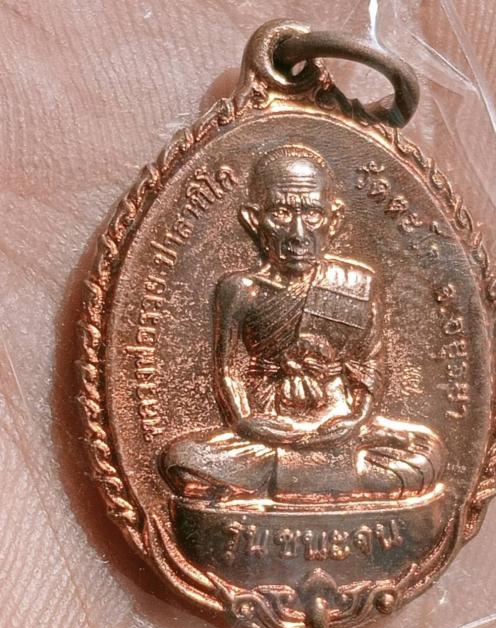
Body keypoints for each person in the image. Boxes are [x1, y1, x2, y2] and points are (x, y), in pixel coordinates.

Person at [161, 144, 446, 501]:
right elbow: (228, 371)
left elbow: (370, 366)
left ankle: (285, 478)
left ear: (334, 219)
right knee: (183, 460)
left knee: (427, 453)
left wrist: (356, 420)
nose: (298, 233)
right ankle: (334, 478)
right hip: (270, 429)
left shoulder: (358, 283)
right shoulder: (240, 289)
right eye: (281, 213)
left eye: (312, 214)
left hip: (339, 424)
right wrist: (247, 422)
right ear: (253, 220)